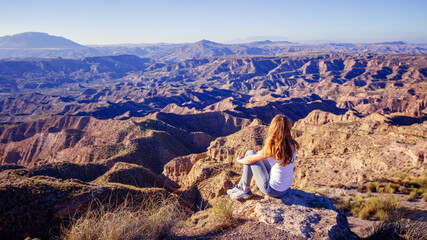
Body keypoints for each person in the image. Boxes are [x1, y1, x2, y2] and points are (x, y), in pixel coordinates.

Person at [227, 115, 299, 199]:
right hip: (286, 189)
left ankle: (244, 189)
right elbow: (261, 153)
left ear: (273, 128)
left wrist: (239, 160)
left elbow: (250, 160)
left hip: (272, 190)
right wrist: (248, 156)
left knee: (249, 156)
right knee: (250, 153)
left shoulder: (274, 147)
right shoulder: (291, 144)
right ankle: (241, 186)